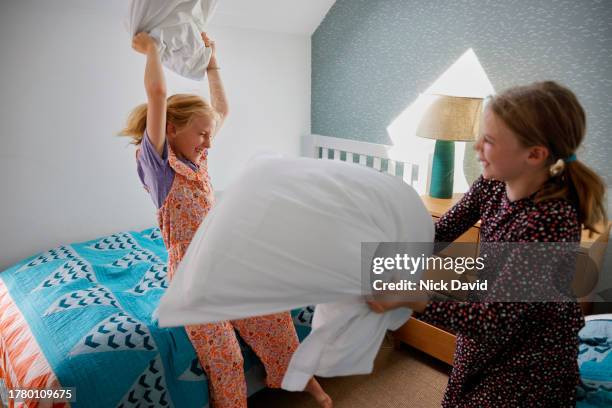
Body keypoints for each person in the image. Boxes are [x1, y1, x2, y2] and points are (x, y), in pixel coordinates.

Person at [120, 31, 332, 408]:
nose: (209, 142)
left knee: (276, 321)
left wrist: (212, 61)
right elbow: (156, 95)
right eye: (201, 134)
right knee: (227, 360)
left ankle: (308, 384)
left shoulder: (195, 159)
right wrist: (152, 49)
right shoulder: (159, 168)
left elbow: (222, 109)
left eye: (208, 134)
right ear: (171, 128)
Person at [368, 81, 607, 406]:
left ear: (534, 154)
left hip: (530, 353)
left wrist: (415, 298)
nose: (477, 146)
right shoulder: (492, 185)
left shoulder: (549, 221)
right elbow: (438, 234)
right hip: (486, 329)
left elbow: (493, 322)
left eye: (489, 140)